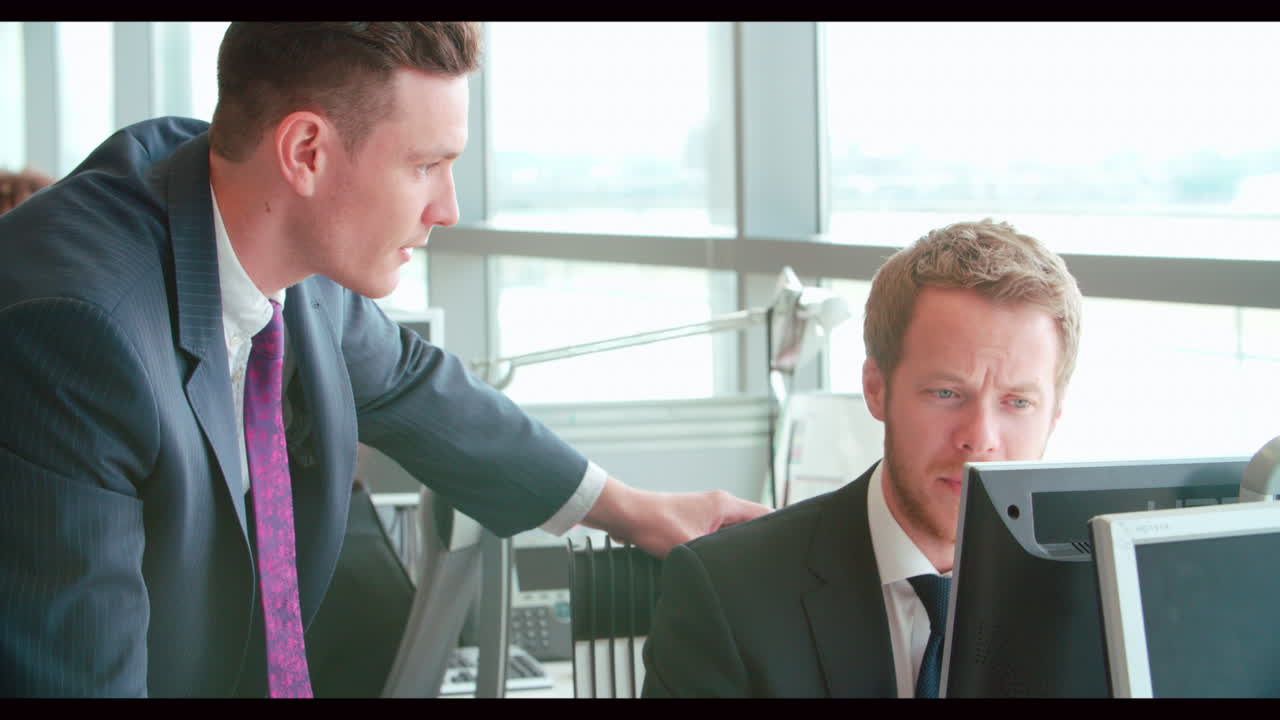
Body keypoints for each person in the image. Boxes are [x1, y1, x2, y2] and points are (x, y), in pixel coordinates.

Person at [0, 22, 768, 698]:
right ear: (306, 152)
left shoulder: (271, 228)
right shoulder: (76, 337)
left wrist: (634, 509)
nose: (448, 208)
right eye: (424, 165)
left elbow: (408, 380)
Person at [641, 219, 1083, 698]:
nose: (980, 438)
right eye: (946, 392)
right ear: (876, 388)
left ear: (1054, 415)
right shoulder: (726, 594)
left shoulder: (1104, 591)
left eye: (1017, 402)